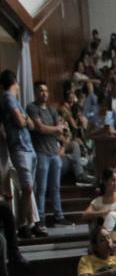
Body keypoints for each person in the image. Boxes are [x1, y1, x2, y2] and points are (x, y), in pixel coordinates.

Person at [2, 70, 45, 238]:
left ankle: (30, 223)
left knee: (29, 189)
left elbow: (31, 125)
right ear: (15, 82)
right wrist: (25, 120)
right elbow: (22, 122)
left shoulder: (15, 100)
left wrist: (25, 120)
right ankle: (21, 225)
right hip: (19, 147)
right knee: (27, 188)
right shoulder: (8, 97)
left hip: (27, 147)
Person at [28, 81, 69, 227]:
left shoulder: (52, 110)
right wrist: (55, 128)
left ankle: (59, 216)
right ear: (36, 92)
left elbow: (61, 130)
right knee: (41, 187)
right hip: (41, 152)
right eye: (41, 90)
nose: (44, 93)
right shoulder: (32, 107)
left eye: (46, 91)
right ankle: (40, 218)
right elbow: (40, 128)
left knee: (55, 187)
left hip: (54, 152)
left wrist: (60, 137)